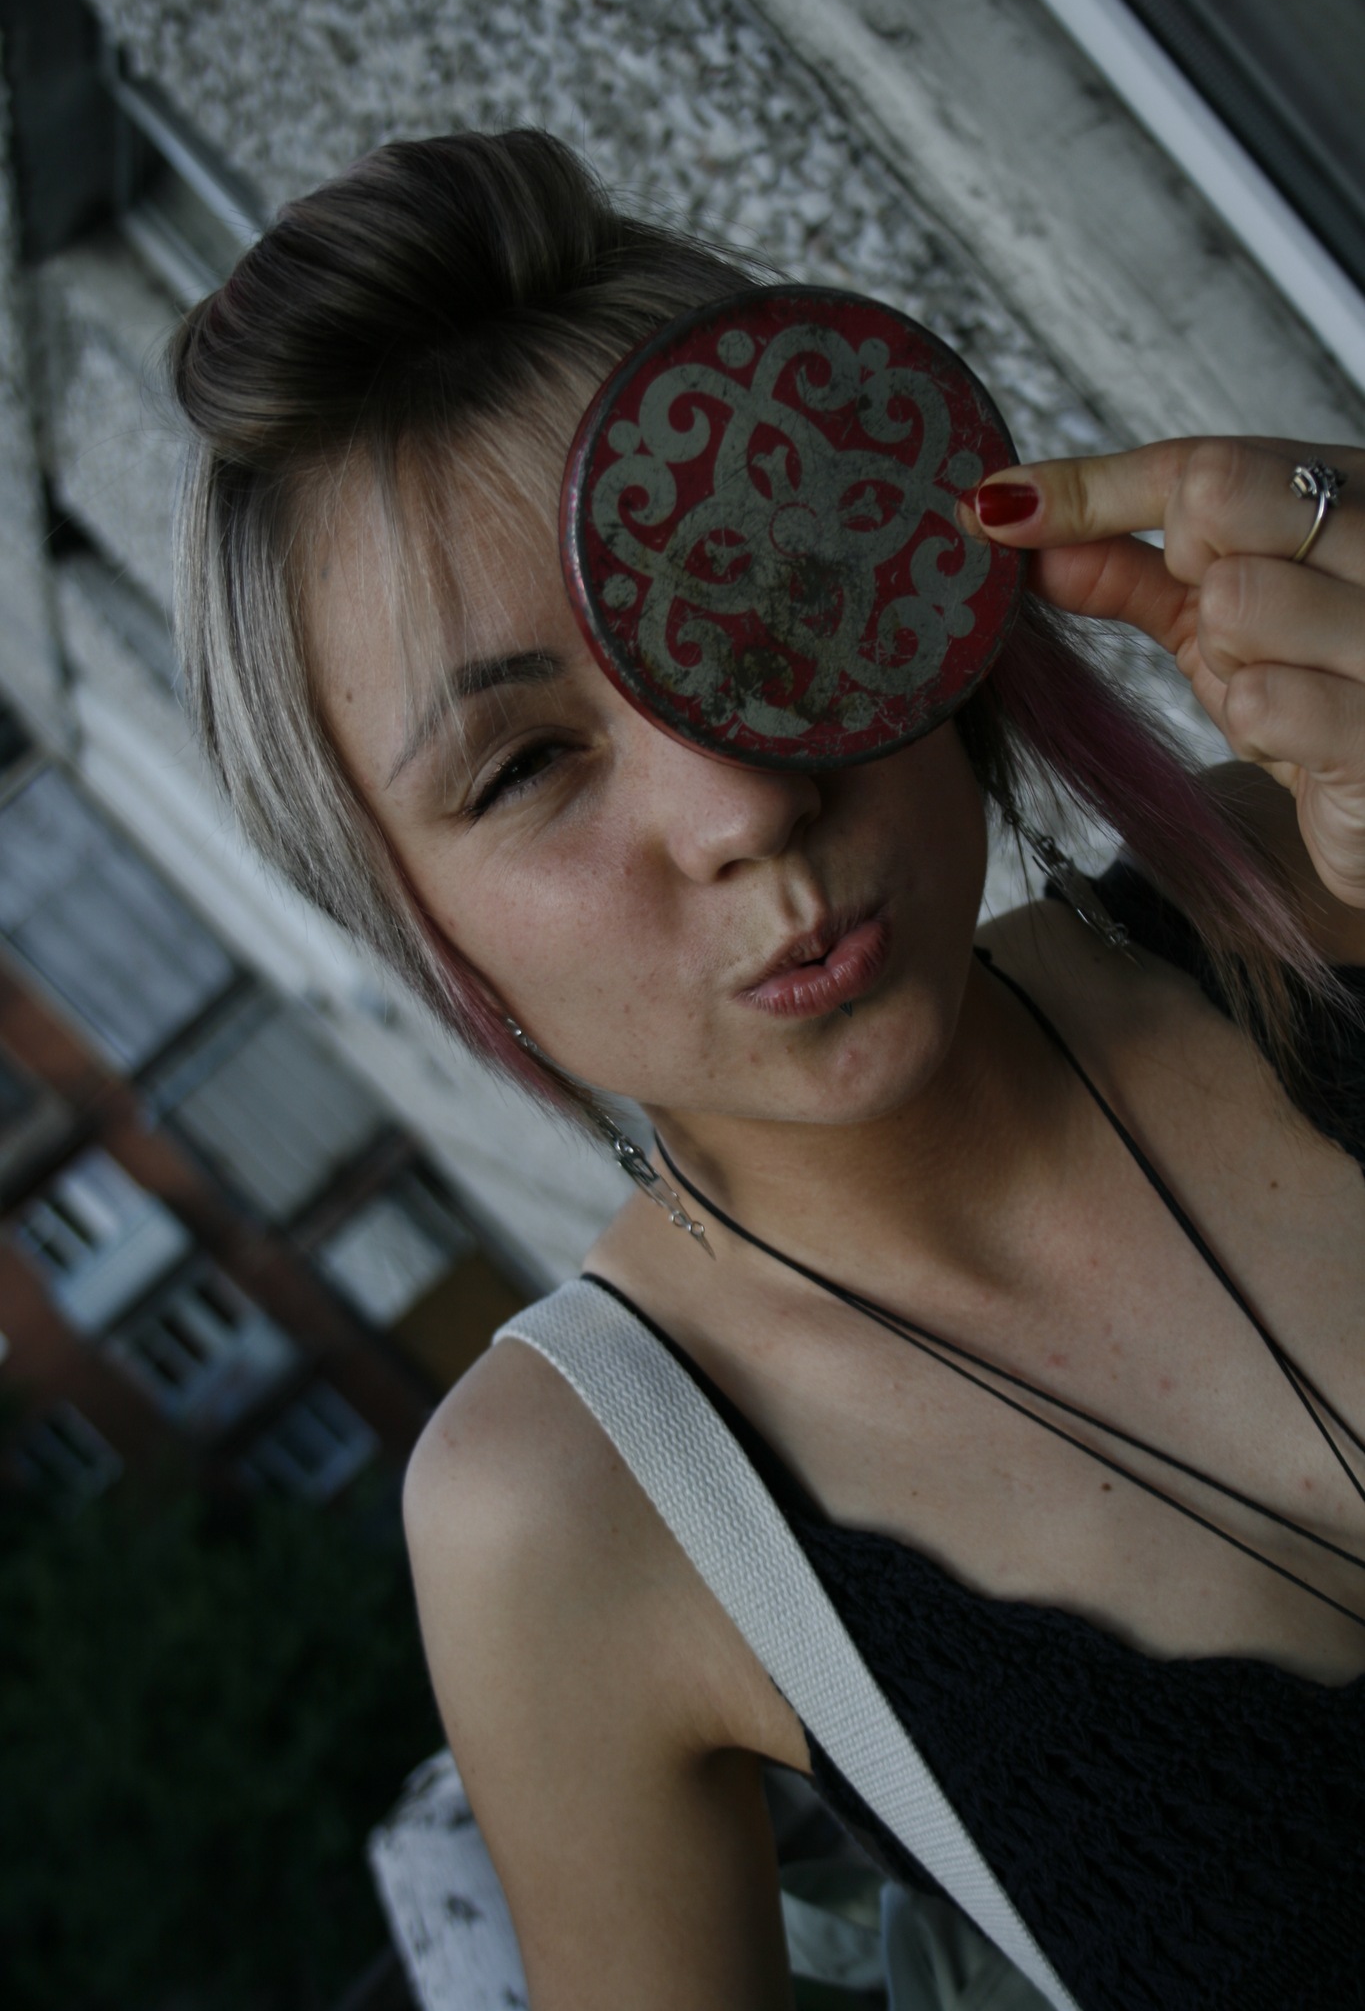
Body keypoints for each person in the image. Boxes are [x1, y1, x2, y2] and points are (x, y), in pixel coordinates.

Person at [170, 129, 1365, 2009]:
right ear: (417, 918)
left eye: (757, 596)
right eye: (523, 767)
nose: (738, 801)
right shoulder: (571, 1513)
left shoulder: (1314, 881)